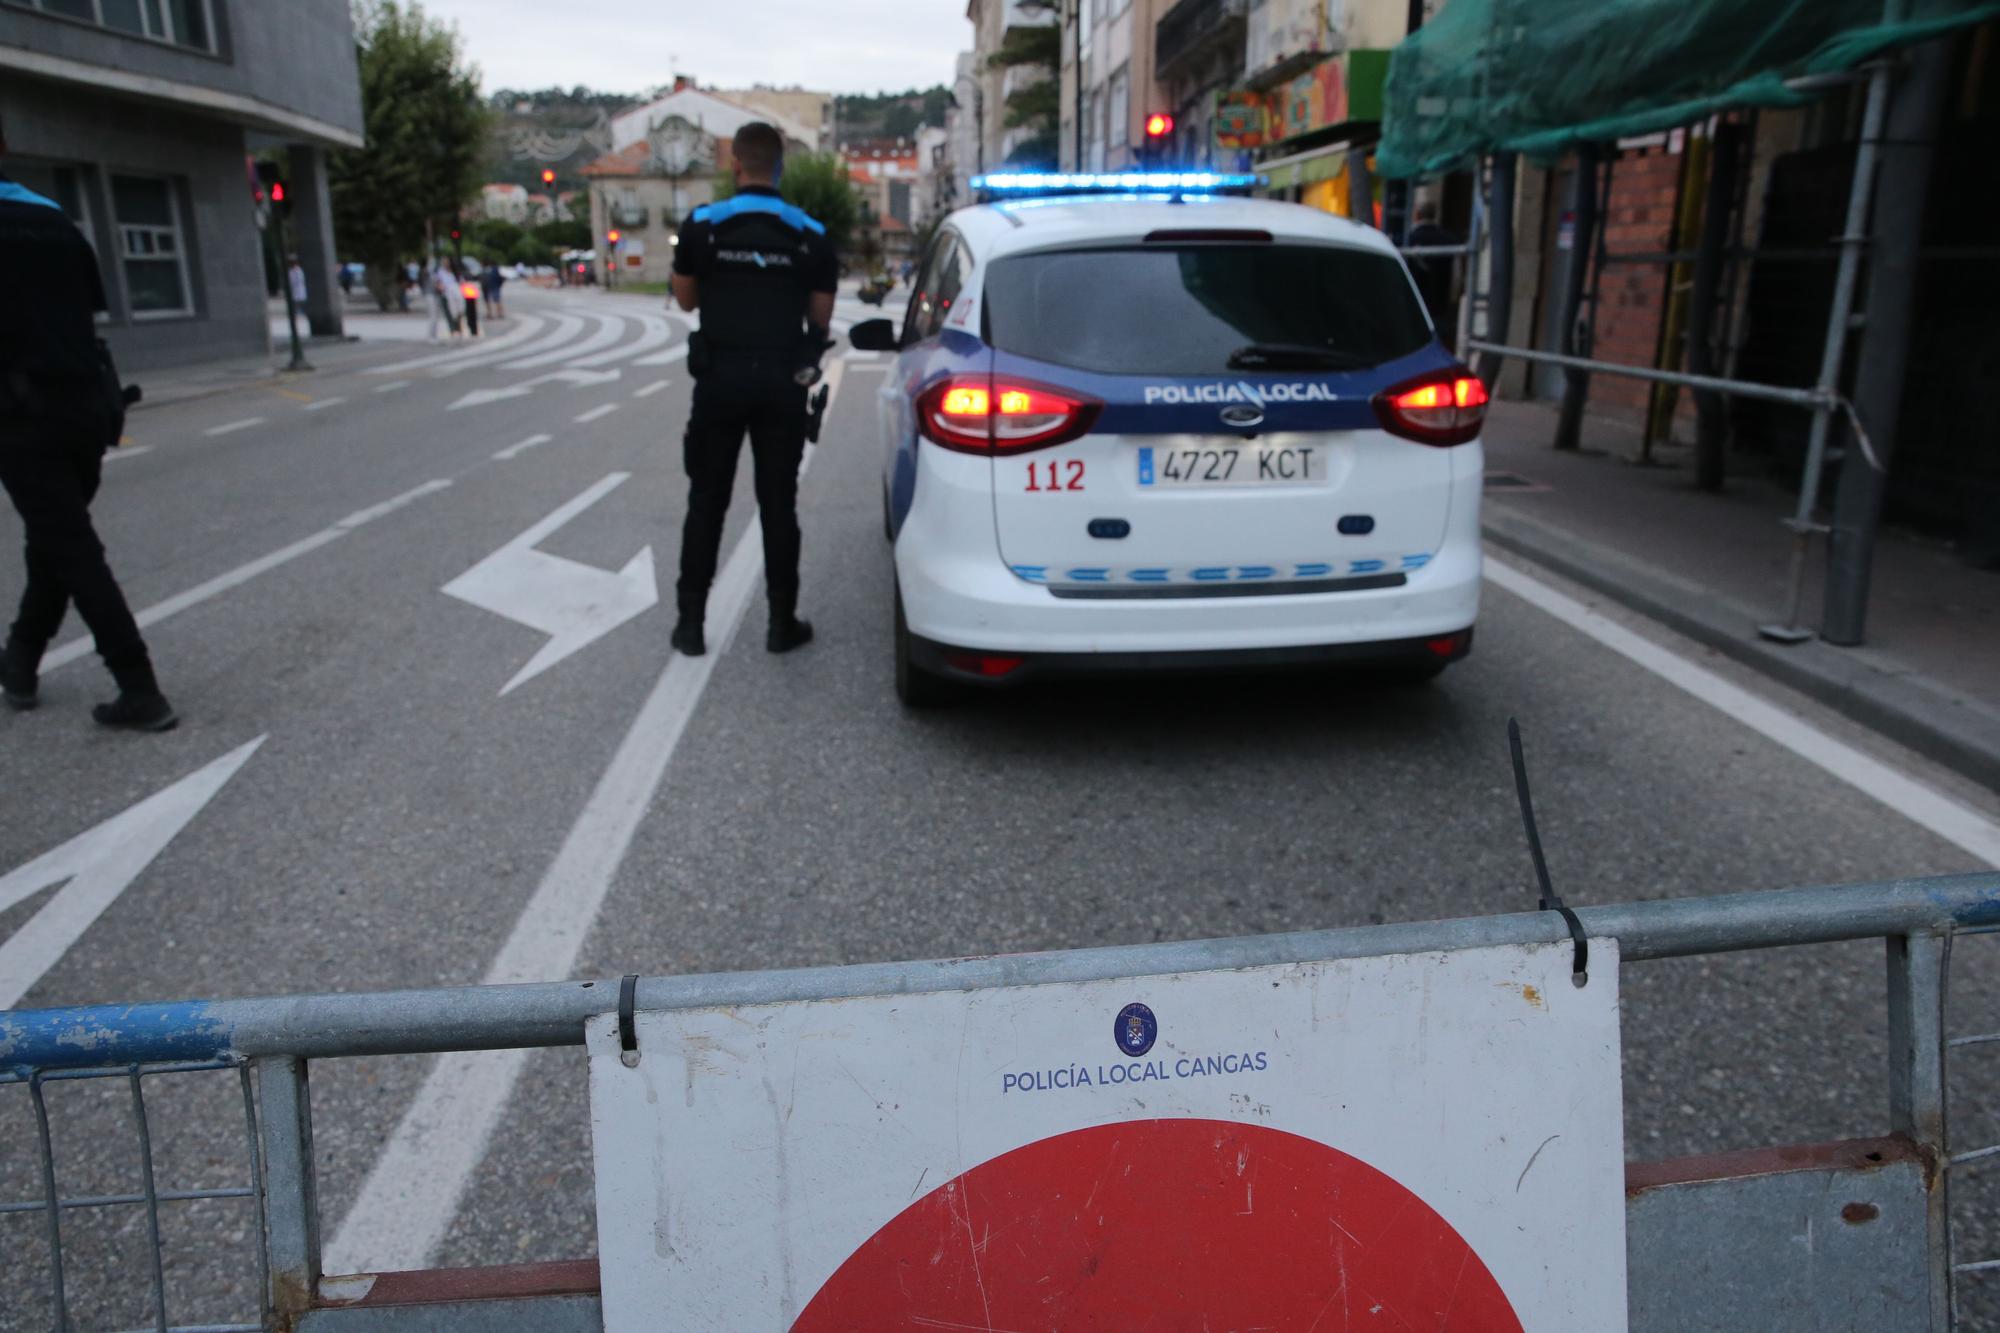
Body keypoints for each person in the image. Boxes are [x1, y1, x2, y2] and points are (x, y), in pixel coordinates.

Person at [0, 139, 175, 730]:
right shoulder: (53, 220)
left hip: (22, 417)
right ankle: (19, 662)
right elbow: (87, 313)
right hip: (88, 413)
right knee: (56, 538)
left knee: (71, 549)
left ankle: (140, 688)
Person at [668, 121, 837, 657]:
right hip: (781, 383)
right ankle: (781, 623)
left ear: (735, 164)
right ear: (780, 166)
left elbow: (686, 301)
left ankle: (691, 625)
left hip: (719, 379)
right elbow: (820, 315)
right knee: (778, 505)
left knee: (706, 501)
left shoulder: (702, 226)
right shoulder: (810, 233)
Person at [1406, 201, 1462, 341]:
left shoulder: (1409, 240)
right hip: (1440, 307)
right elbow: (1457, 278)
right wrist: (1452, 301)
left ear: (1417, 215)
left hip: (1414, 309)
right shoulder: (1450, 240)